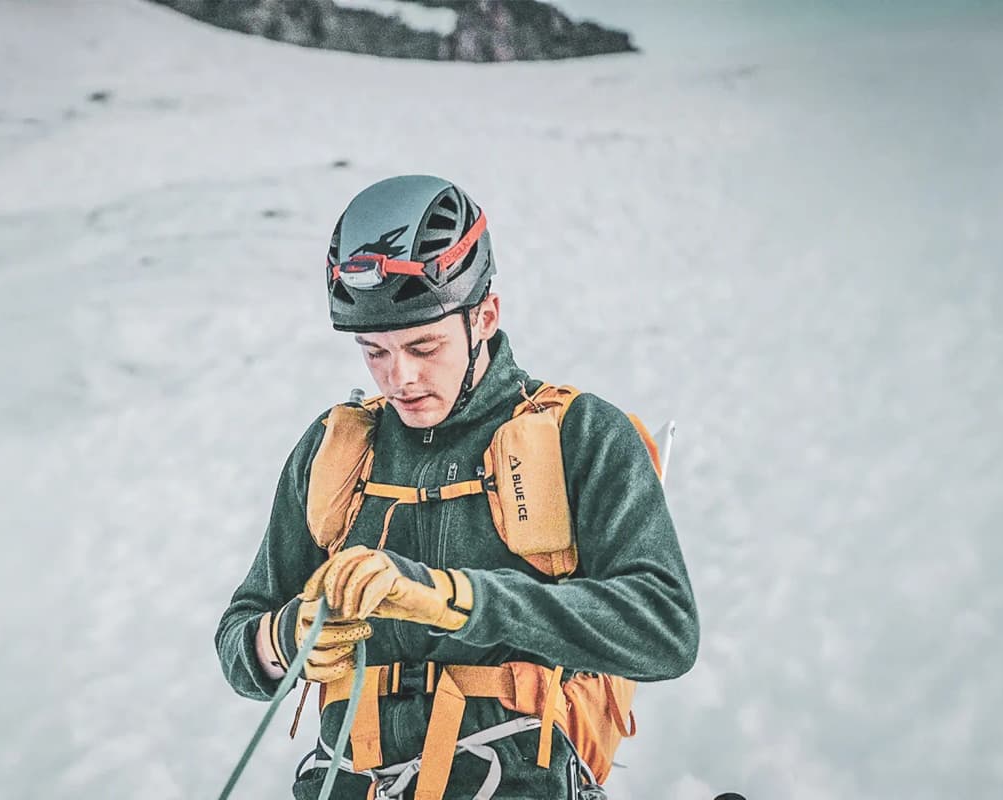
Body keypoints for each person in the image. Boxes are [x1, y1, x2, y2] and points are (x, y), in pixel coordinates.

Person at [214, 174, 699, 799]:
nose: (400, 377)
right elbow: (239, 638)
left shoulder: (579, 434)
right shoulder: (334, 452)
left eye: (424, 345)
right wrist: (284, 637)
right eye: (374, 352)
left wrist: (456, 601)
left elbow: (665, 629)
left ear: (486, 317)